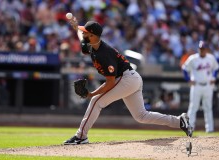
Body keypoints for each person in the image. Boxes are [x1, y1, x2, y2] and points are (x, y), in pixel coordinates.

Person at [64, 17, 192, 145]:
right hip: (131, 78)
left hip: (126, 79)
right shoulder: (92, 45)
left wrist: (92, 93)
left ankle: (81, 136)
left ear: (92, 35)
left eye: (86, 32)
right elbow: (82, 38)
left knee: (95, 101)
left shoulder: (104, 54)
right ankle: (179, 121)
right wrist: (76, 27)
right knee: (141, 116)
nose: (83, 33)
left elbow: (110, 83)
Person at [182, 41, 219, 133]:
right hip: (196, 85)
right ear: (198, 49)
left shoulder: (211, 58)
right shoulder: (193, 58)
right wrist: (188, 79)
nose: (202, 50)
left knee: (208, 107)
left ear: (206, 49)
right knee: (193, 107)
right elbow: (184, 68)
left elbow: (216, 68)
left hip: (208, 85)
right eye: (200, 49)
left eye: (203, 49)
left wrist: (214, 77)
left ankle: (210, 129)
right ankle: (190, 128)